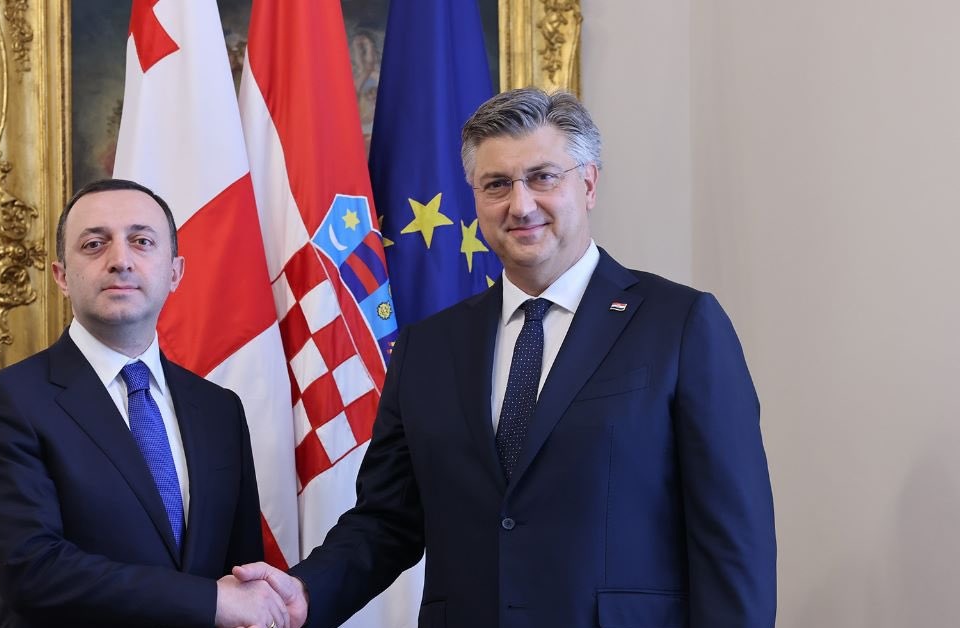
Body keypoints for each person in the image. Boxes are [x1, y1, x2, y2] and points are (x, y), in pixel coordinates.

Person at [234, 88, 777, 627]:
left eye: (543, 177)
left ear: (588, 184)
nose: (520, 205)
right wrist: (305, 591)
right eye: (496, 184)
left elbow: (731, 539)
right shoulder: (428, 348)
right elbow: (387, 520)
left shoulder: (680, 325)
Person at [0, 179, 289, 628]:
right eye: (94, 244)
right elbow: (32, 570)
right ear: (61, 276)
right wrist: (209, 601)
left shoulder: (220, 410)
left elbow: (241, 572)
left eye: (142, 241)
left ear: (175, 273)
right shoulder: (5, 402)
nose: (120, 259)